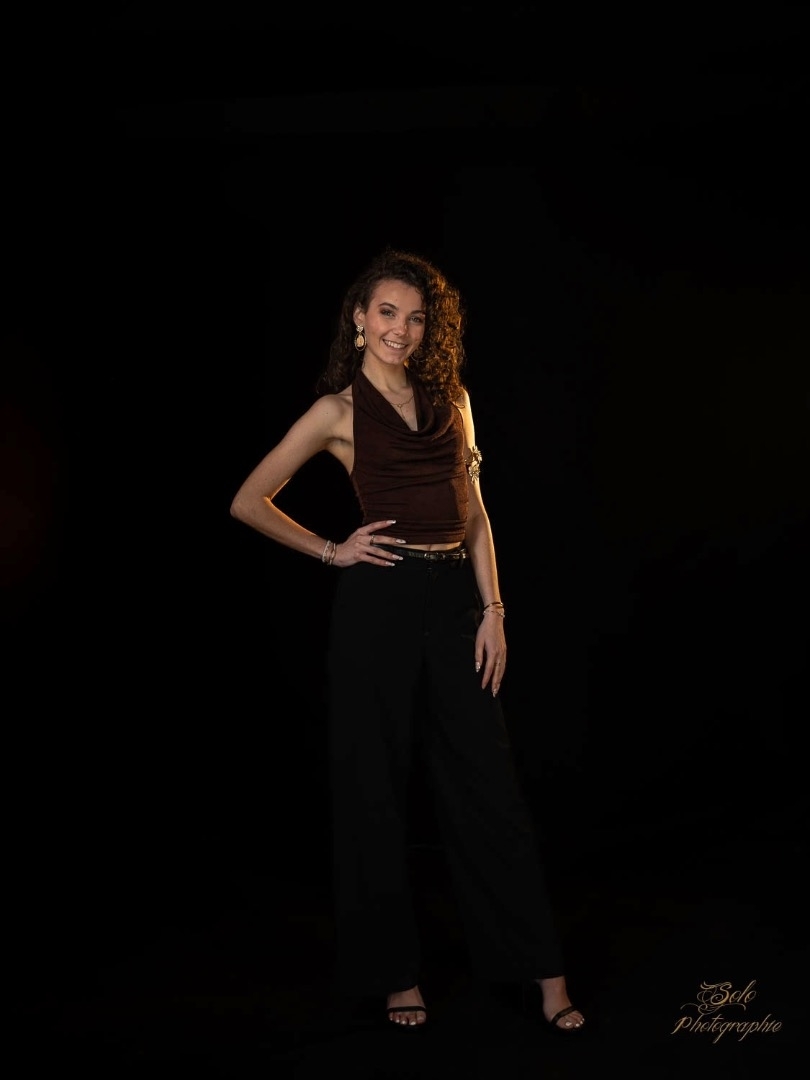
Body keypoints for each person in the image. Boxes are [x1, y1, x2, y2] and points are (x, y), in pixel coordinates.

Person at [229, 247, 585, 1033]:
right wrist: (332, 550)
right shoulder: (336, 412)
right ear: (359, 320)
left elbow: (476, 511)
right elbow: (248, 500)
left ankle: (544, 973)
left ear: (430, 328)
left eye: (416, 317)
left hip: (456, 601)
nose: (401, 328)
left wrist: (494, 610)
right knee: (373, 788)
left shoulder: (453, 397)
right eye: (387, 312)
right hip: (378, 604)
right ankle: (395, 977)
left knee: (488, 789)